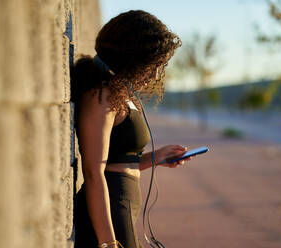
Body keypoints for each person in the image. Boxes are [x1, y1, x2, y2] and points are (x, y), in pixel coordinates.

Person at [72, 10, 192, 248]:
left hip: (122, 207)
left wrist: (156, 158)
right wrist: (108, 243)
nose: (156, 74)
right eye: (152, 65)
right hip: (110, 213)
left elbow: (119, 161)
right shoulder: (101, 95)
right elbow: (95, 173)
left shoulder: (117, 93)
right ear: (132, 56)